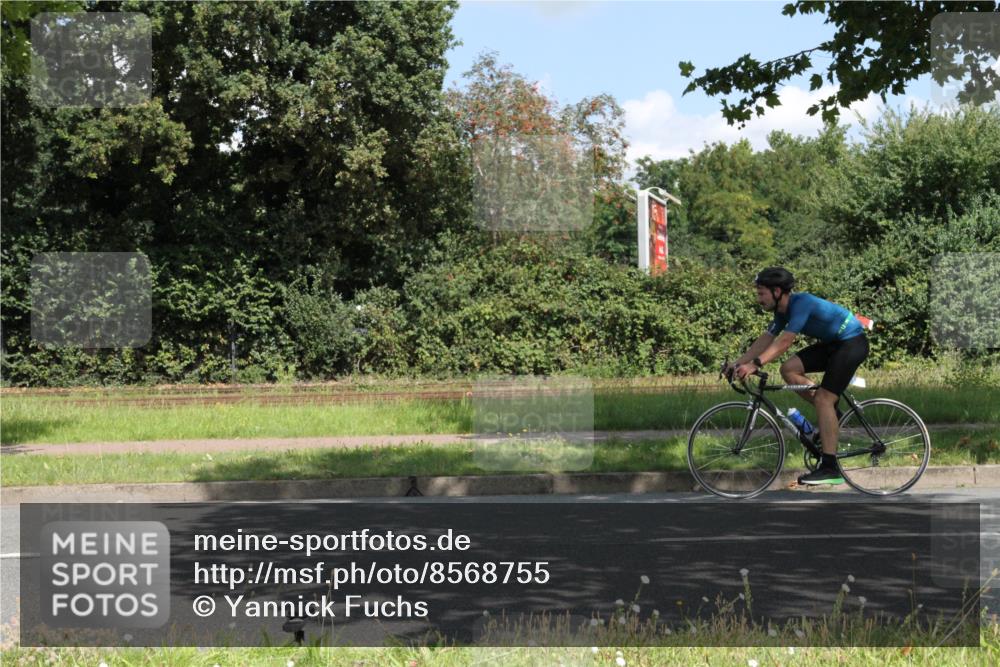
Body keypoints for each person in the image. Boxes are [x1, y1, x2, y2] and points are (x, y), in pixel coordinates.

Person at [723, 267, 870, 485]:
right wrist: (738, 363)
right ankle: (832, 415)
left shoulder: (801, 304)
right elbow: (766, 339)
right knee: (788, 369)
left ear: (777, 291)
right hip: (833, 345)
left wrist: (755, 365)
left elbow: (784, 342)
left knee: (823, 398)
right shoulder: (781, 312)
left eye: (761, 293)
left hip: (852, 344)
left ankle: (830, 469)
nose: (758, 298)